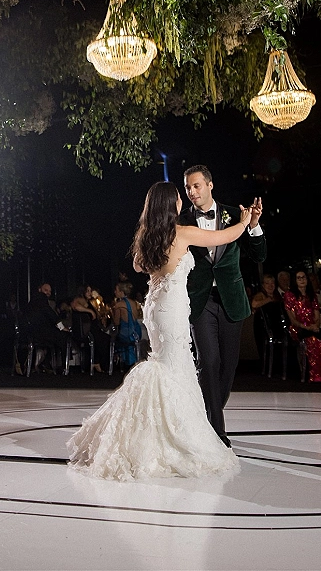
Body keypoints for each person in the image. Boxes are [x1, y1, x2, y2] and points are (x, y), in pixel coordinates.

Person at [67, 180, 251, 480]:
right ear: (170, 204)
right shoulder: (182, 233)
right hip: (173, 307)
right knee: (175, 366)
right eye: (178, 197)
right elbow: (225, 235)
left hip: (155, 306)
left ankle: (159, 426)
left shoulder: (147, 236)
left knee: (164, 363)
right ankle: (172, 433)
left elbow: (139, 267)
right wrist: (244, 222)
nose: (182, 200)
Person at [178, 164, 266, 447]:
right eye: (188, 187)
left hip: (231, 300)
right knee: (208, 361)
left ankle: (210, 413)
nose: (192, 192)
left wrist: (252, 227)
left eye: (196, 186)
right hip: (200, 302)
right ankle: (217, 431)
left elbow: (259, 254)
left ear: (210, 185)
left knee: (228, 366)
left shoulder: (235, 214)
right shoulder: (181, 220)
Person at [283, 269, 321, 383]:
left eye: (304, 277)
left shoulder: (312, 295)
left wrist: (315, 326)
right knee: (312, 340)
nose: (302, 280)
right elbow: (293, 319)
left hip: (312, 326)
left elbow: (316, 315)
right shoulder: (290, 295)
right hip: (298, 327)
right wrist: (307, 327)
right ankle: (315, 372)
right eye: (299, 278)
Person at [24, 282, 70, 370]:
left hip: (30, 331)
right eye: (46, 290)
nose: (48, 293)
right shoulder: (42, 300)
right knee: (64, 337)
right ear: (39, 290)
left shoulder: (32, 301)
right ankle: (64, 367)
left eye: (50, 291)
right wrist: (61, 327)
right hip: (39, 332)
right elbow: (50, 314)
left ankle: (46, 363)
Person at [70, 284, 112, 373]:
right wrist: (90, 311)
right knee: (105, 339)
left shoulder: (89, 301)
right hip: (87, 330)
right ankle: (100, 364)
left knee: (105, 339)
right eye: (88, 291)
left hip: (93, 328)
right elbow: (76, 306)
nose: (90, 293)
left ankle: (97, 362)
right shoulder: (79, 299)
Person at [111, 279, 142, 368]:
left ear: (121, 292)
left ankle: (119, 363)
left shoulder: (119, 305)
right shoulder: (134, 303)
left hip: (127, 334)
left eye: (116, 290)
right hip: (137, 332)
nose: (115, 292)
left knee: (114, 337)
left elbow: (116, 322)